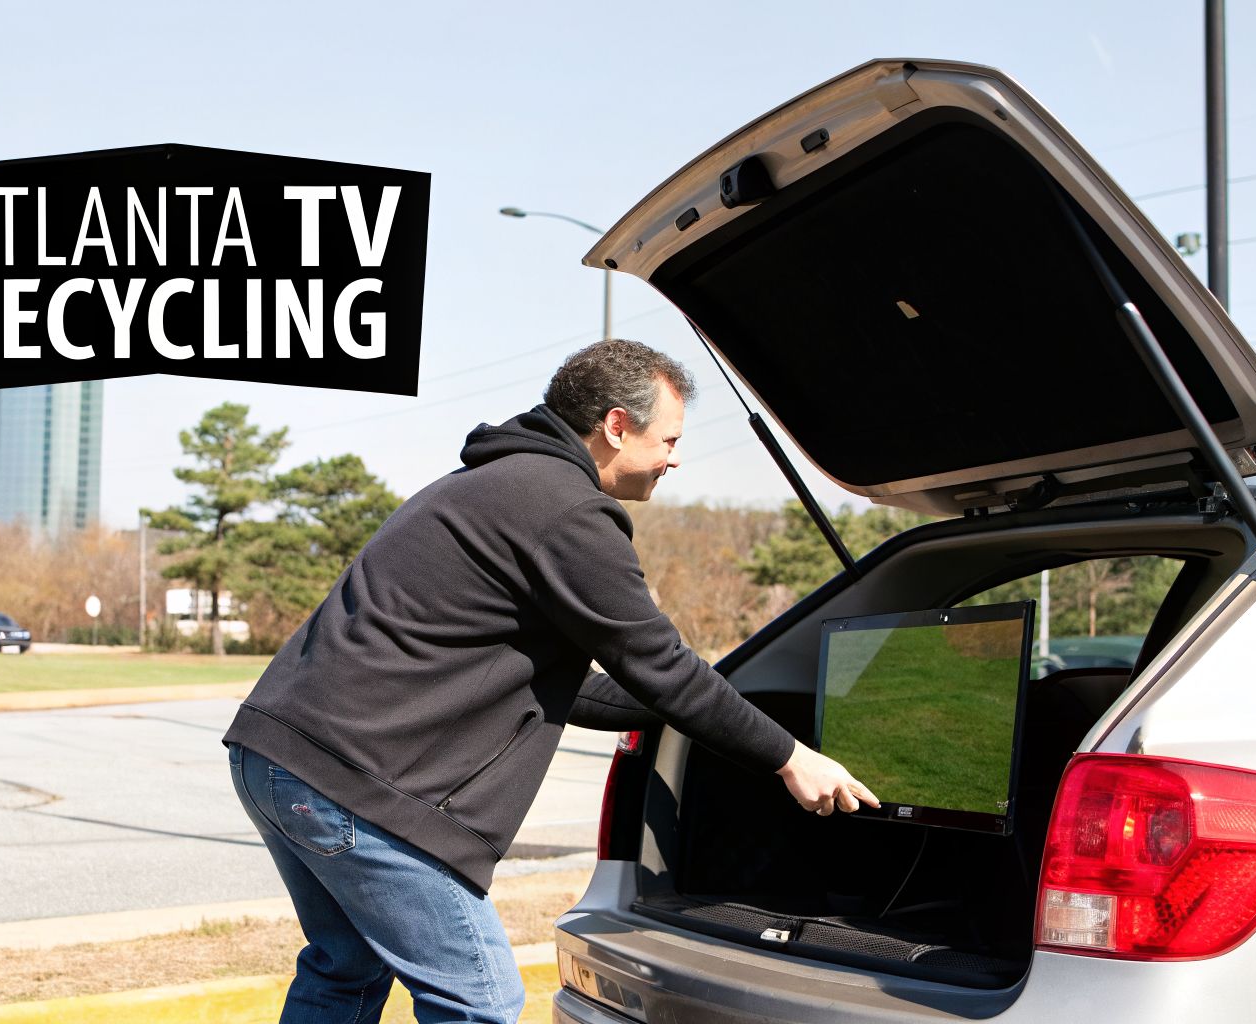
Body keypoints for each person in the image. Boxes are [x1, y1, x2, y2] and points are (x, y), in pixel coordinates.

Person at [224, 339, 878, 1023]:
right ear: (617, 426)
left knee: (345, 972)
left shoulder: (495, 485)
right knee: (480, 1002)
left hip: (278, 759)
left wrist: (701, 709)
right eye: (670, 439)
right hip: (357, 784)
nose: (675, 458)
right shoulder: (565, 510)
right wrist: (789, 755)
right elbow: (658, 662)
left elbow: (571, 683)